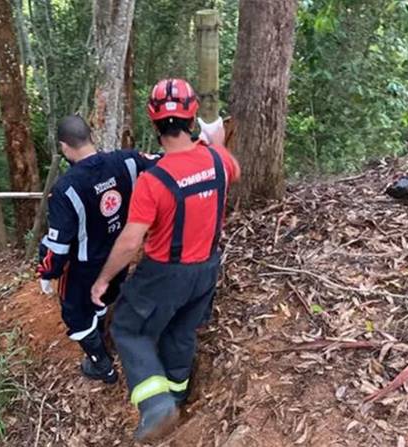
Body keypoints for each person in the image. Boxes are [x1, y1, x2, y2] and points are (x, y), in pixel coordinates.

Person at [91, 78, 240, 442]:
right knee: (180, 330)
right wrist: (214, 142)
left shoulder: (154, 180)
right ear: (192, 116)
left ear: (152, 119)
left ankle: (157, 405)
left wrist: (103, 280)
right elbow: (231, 166)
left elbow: (129, 243)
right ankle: (178, 393)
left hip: (164, 274)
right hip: (206, 269)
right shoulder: (218, 161)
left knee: (127, 327)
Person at [37, 115, 160, 384]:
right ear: (90, 136)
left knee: (76, 315)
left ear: (64, 146)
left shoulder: (65, 190)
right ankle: (105, 328)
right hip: (118, 257)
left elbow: (57, 246)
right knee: (105, 298)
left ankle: (101, 366)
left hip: (84, 267)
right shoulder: (125, 161)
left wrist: (47, 272)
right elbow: (160, 160)